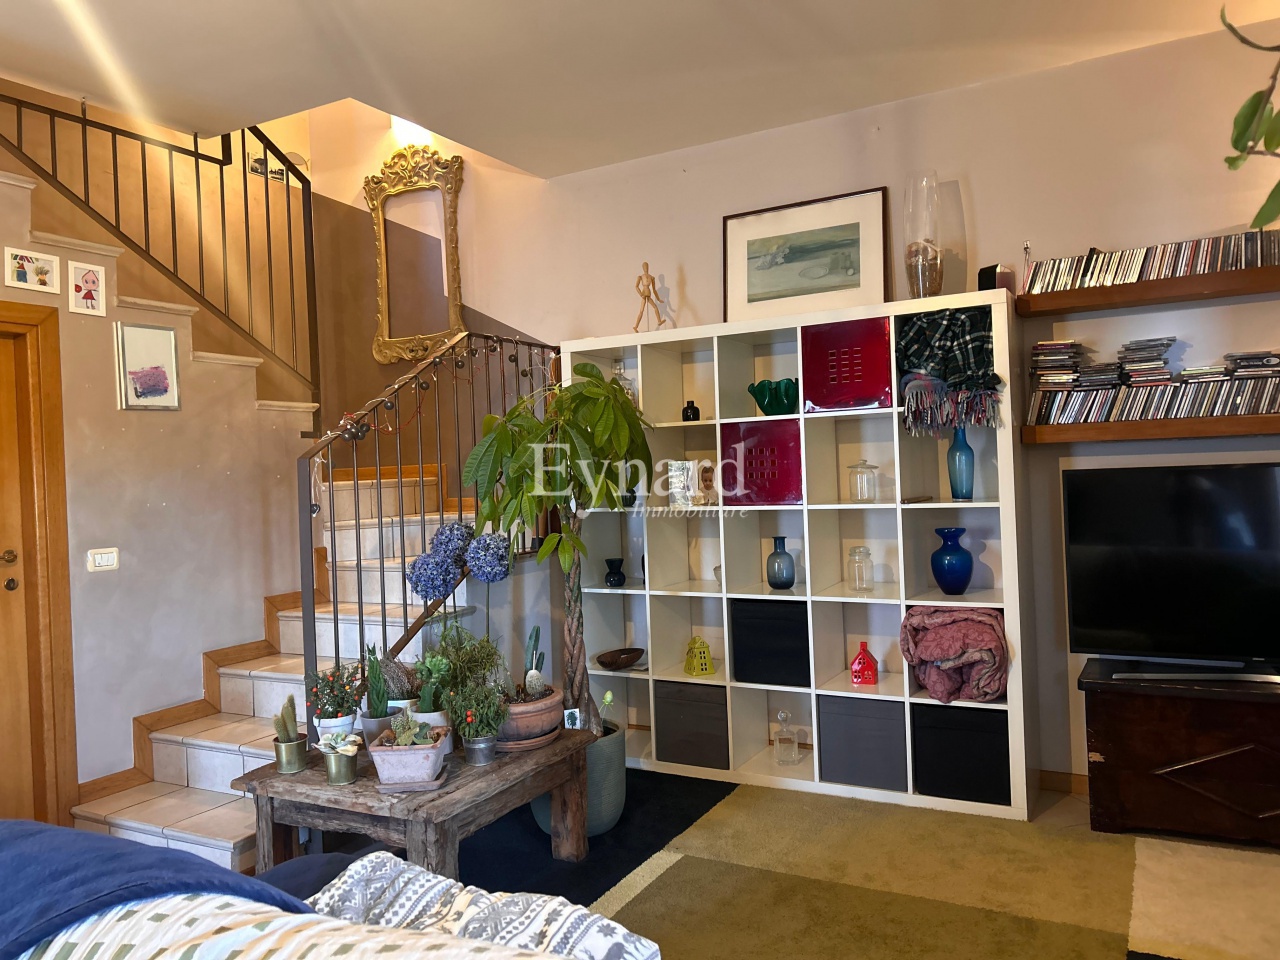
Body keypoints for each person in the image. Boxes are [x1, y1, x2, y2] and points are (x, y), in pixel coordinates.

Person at [633, 261, 666, 332]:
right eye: (644, 266)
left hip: (648, 294)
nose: (646, 268)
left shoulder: (652, 277)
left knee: (655, 307)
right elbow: (636, 286)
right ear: (642, 268)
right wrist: (640, 294)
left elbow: (654, 289)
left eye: (647, 266)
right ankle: (636, 326)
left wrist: (658, 299)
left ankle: (659, 321)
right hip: (644, 294)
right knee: (641, 310)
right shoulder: (640, 277)